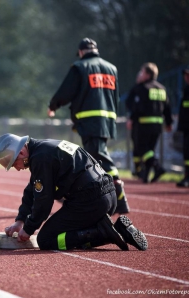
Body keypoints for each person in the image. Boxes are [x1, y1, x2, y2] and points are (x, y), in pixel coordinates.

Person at [0, 133, 148, 251]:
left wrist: (28, 229)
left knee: (47, 240)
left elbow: (43, 201)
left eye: (15, 164)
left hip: (91, 201)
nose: (17, 169)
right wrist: (20, 220)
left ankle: (104, 232)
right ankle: (114, 229)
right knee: (70, 234)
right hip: (107, 196)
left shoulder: (40, 158)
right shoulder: (43, 149)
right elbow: (32, 189)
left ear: (20, 153)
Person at [47, 37, 129, 214]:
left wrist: (53, 105)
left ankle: (118, 194)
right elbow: (116, 96)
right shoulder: (111, 68)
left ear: (82, 52)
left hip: (90, 119)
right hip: (107, 118)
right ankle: (110, 196)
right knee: (95, 153)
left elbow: (67, 90)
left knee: (97, 153)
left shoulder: (80, 67)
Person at [125, 63, 173, 183]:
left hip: (143, 124)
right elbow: (167, 107)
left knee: (142, 149)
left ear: (147, 74)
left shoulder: (142, 88)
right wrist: (168, 123)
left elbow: (136, 107)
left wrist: (131, 118)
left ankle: (158, 167)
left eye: (142, 72)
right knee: (150, 149)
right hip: (158, 125)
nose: (140, 74)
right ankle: (145, 176)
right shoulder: (162, 89)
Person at [176, 65, 189, 187]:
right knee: (186, 153)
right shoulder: (186, 89)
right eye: (186, 75)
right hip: (186, 128)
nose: (186, 77)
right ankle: (187, 175)